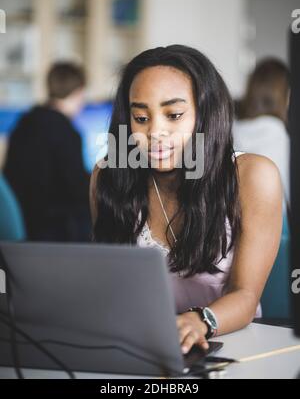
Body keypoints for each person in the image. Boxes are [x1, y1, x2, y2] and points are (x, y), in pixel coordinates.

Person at [90, 45, 282, 355]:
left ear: (206, 114)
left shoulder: (252, 176)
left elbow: (246, 296)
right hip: (141, 347)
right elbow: (111, 286)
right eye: (140, 117)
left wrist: (198, 321)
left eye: (174, 115)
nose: (155, 132)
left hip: (229, 346)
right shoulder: (108, 178)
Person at [4, 62, 91, 242]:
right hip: (54, 231)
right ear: (79, 93)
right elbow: (77, 189)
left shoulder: (23, 124)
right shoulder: (66, 131)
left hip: (22, 226)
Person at [233, 58, 290, 208]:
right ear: (285, 95)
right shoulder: (277, 132)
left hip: (237, 215)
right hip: (273, 217)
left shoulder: (233, 127)